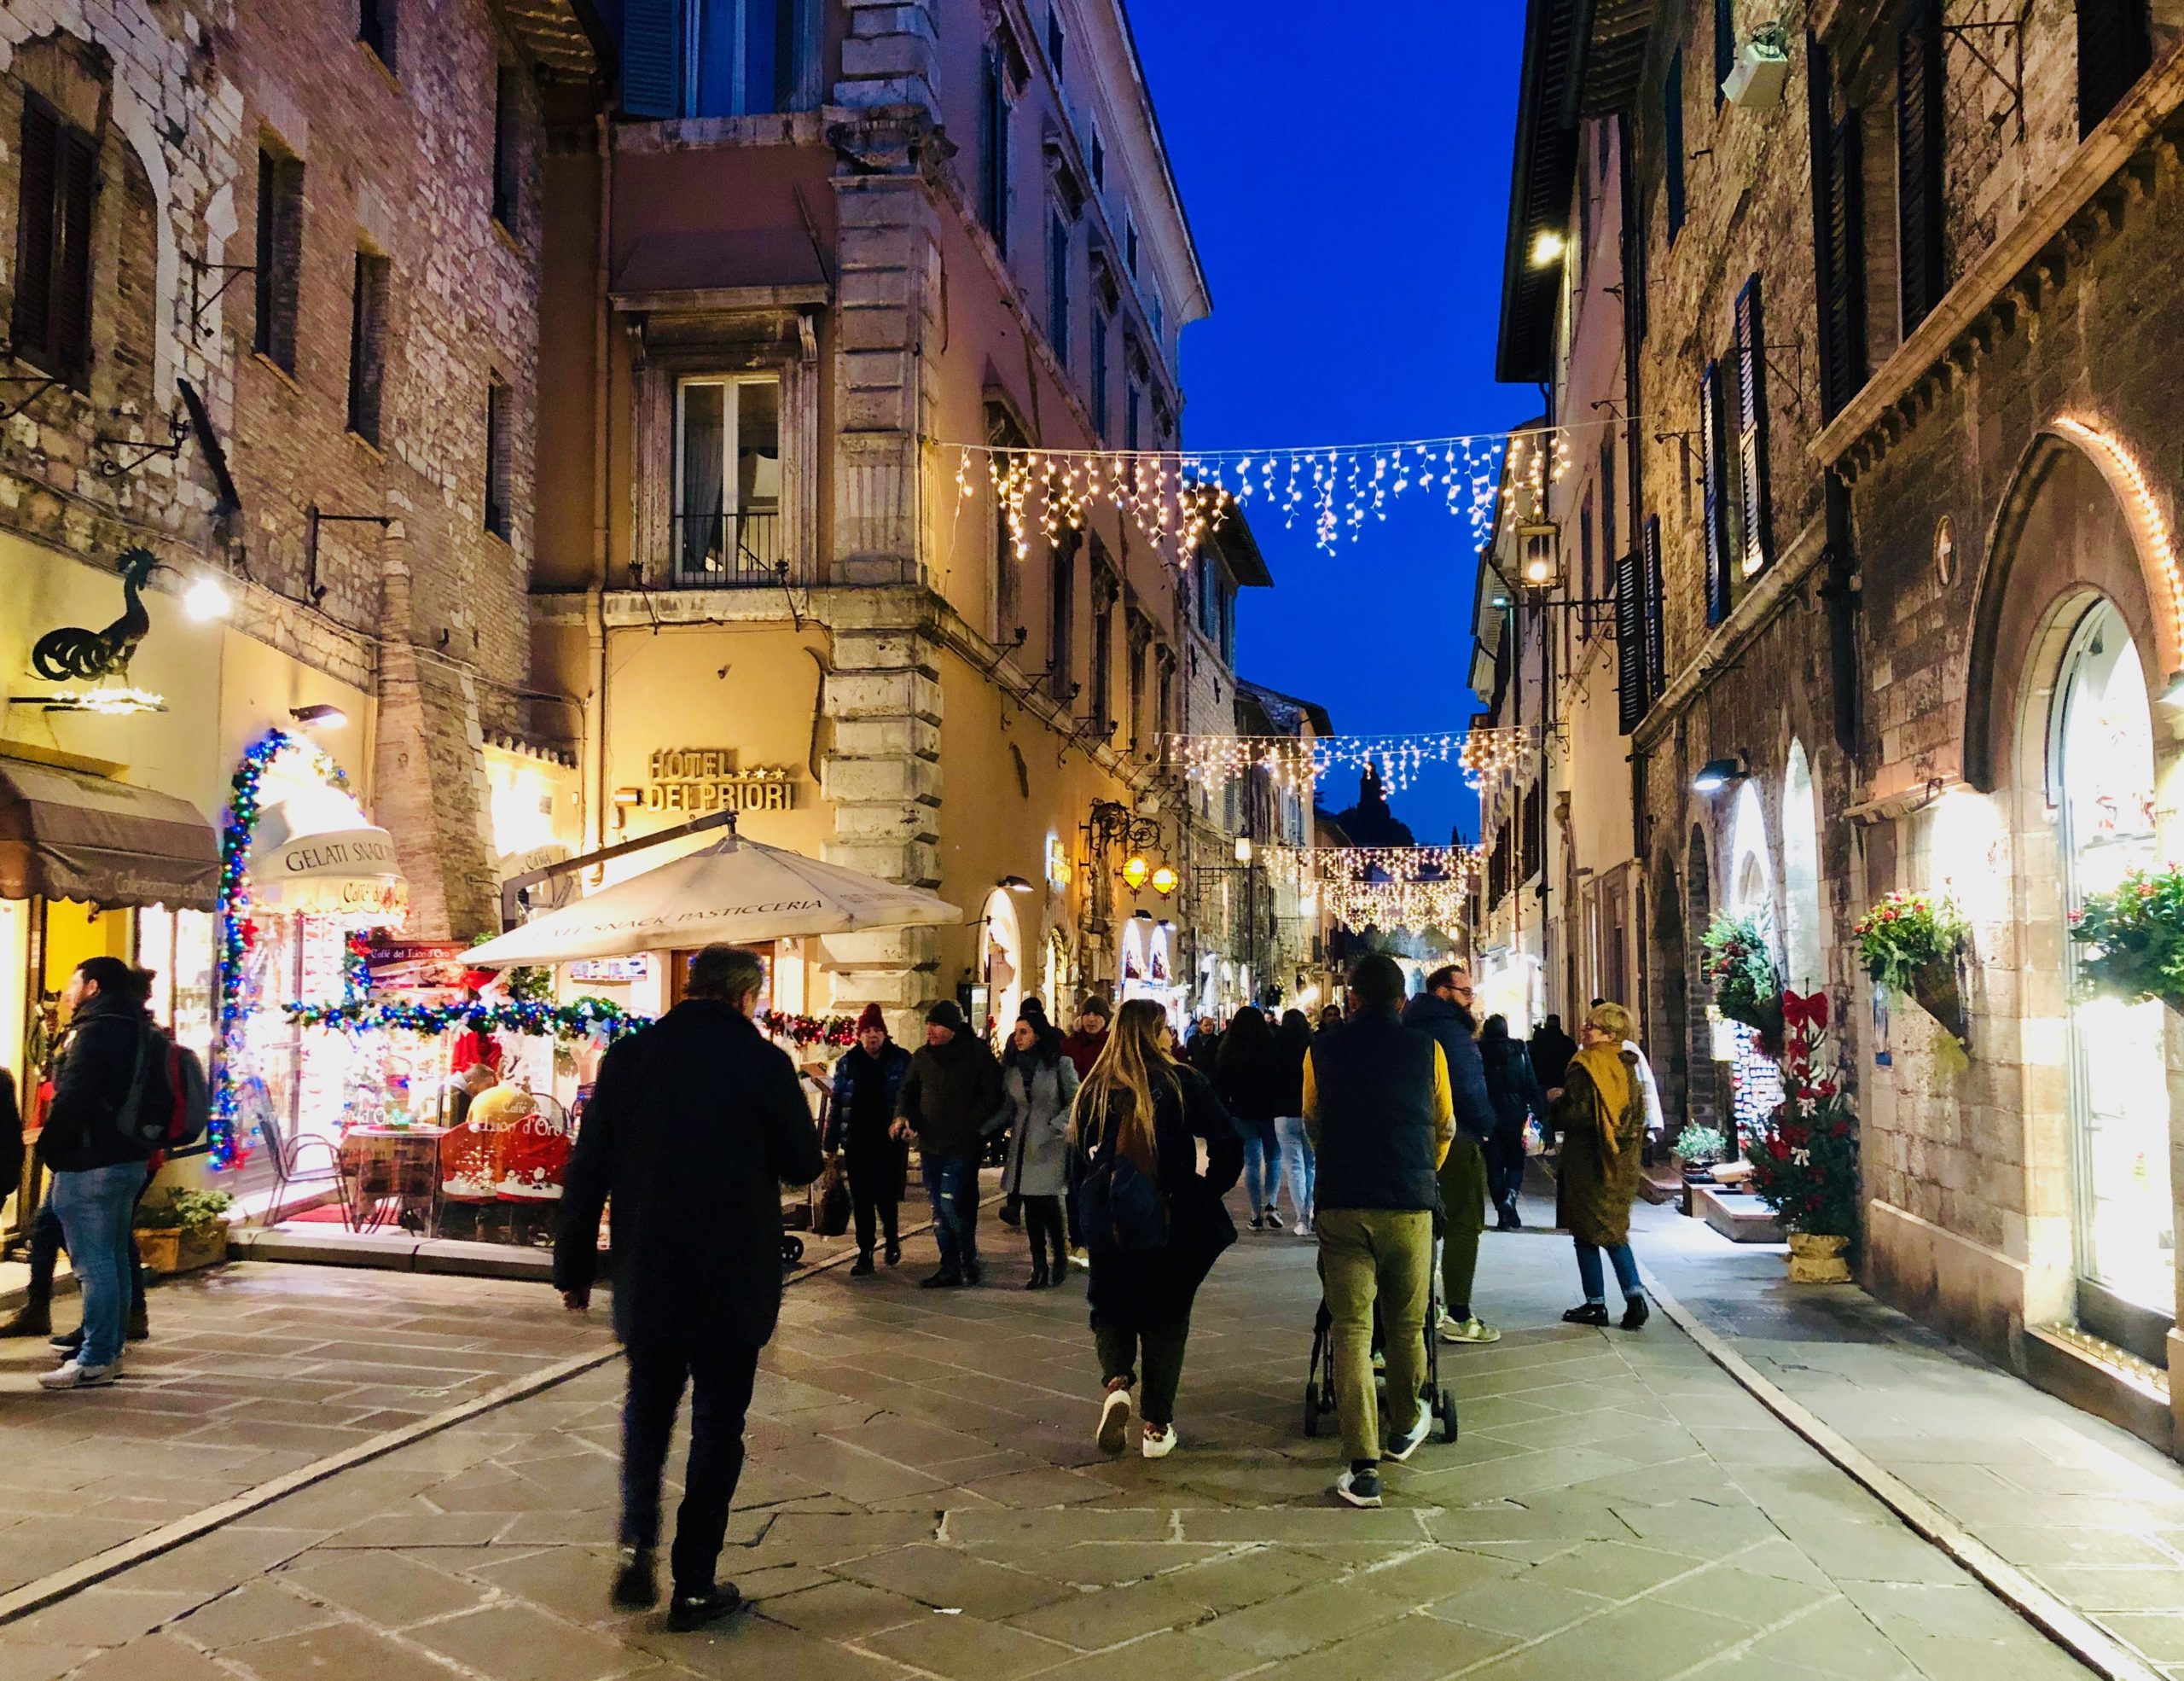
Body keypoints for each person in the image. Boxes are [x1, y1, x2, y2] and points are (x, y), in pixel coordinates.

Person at [556, 945, 823, 1632]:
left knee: (647, 1411)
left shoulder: (632, 1058)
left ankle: (634, 1539)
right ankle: (695, 1581)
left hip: (651, 1272)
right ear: (745, 997)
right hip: (733, 1279)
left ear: (690, 988)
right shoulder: (763, 1063)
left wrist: (575, 1268)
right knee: (717, 1426)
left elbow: (588, 1170)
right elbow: (802, 1162)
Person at [1308, 954, 1454, 1509]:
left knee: (1349, 1328)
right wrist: (1423, 1166)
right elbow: (1445, 1123)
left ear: (1351, 999)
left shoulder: (1320, 1051)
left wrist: (1339, 1162)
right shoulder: (1427, 1051)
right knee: (1408, 1324)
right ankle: (1404, 1425)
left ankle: (1363, 1467)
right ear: (1401, 1001)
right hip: (1409, 1204)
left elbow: (1312, 1120)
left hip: (1343, 1203)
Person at [1076, 999, 1242, 1460]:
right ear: (1157, 1033)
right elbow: (1228, 1141)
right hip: (1170, 1215)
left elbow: (1078, 1158)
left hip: (1109, 1219)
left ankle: (1116, 1383)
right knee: (1167, 1315)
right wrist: (1207, 1191)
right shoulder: (1182, 1081)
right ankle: (1155, 1426)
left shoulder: (1096, 1087)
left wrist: (1088, 1211)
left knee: (1111, 1302)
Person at [36, 958, 161, 1390]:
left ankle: (95, 1358)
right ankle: (108, 1349)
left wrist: (51, 1148)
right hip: (129, 1157)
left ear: (92, 986)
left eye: (74, 983)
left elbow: (75, 1096)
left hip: (91, 1161)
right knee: (112, 1258)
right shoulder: (138, 1026)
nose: (69, 992)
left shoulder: (96, 1030)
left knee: (94, 1265)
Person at [1403, 966, 1501, 1346]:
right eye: (1465, 992)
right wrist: (1486, 1124)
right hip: (1456, 1134)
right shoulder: (1450, 1032)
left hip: (1414, 1135)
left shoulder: (1410, 1022)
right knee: (1464, 1221)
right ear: (1443, 992)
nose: (1470, 999)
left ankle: (1425, 1304)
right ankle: (1459, 1313)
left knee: (1423, 1221)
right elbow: (1466, 1085)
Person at [1553, 1000, 1651, 1331]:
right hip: (1621, 1159)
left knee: (1585, 1233)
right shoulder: (1627, 1065)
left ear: (1608, 1033)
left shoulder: (1586, 1065)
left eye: (1591, 1026)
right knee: (1614, 1230)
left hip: (1589, 1159)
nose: (1585, 1030)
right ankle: (1634, 1295)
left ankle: (1595, 1303)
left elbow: (1577, 1114)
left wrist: (1556, 1101)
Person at [893, 999, 1004, 1288]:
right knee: (940, 1207)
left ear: (953, 1028)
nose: (930, 1029)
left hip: (963, 1147)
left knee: (951, 1204)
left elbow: (993, 1095)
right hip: (931, 1145)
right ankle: (953, 1264)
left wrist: (974, 1127)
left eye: (937, 1024)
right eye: (928, 1024)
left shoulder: (977, 1055)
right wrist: (904, 1117)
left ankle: (965, 1257)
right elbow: (909, 1092)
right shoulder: (922, 1057)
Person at [823, 1003, 911, 1277]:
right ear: (858, 1035)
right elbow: (837, 1103)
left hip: (889, 1140)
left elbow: (910, 1096)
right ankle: (865, 1253)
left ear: (885, 1033)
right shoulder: (848, 1063)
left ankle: (893, 1239)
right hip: (857, 1141)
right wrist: (831, 1144)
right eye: (867, 1031)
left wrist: (908, 1122)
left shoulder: (900, 1059)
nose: (872, 1036)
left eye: (877, 1030)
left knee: (886, 1196)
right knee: (862, 1199)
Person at [1000, 1008, 1079, 1288]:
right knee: (1031, 1206)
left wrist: (1059, 1124)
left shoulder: (1060, 1064)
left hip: (1050, 1141)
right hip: (1023, 1143)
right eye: (1016, 1032)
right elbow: (1008, 1106)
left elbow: (1075, 1099)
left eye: (1024, 1032)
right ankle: (1038, 1265)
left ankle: (1059, 1256)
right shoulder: (1012, 1067)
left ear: (1037, 1034)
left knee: (1047, 1202)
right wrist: (984, 1131)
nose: (1018, 1037)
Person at [1214, 1006, 1283, 1230]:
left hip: (1242, 1112)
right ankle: (1271, 1204)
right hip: (1270, 1112)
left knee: (1252, 1163)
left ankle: (1255, 1214)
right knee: (1274, 1158)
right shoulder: (1271, 1047)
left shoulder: (1229, 1050)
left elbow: (1221, 1085)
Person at [1478, 1015, 1547, 1231]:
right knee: (1515, 1161)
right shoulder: (1520, 1052)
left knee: (1494, 1164)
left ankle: (1503, 1213)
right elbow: (1531, 1085)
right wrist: (1539, 1114)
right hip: (1516, 1115)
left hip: (1489, 1116)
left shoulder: (1479, 1053)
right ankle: (1510, 1197)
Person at [1272, 1009, 1316, 1236]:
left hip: (1283, 1113)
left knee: (1295, 1166)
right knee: (1311, 1164)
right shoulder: (1312, 1045)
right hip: (1309, 1111)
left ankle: (1301, 1219)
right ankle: (1312, 1211)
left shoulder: (1275, 1045)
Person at [1060, 996, 1112, 1079]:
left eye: (1097, 1014)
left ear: (1105, 1019)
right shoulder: (1069, 1044)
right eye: (1087, 1014)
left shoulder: (1112, 1045)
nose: (1091, 1019)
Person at [1530, 1012, 1577, 1095]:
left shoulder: (1538, 1042)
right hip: (1561, 1082)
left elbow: (1532, 1059)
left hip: (1541, 1081)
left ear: (1546, 1024)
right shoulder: (1568, 1042)